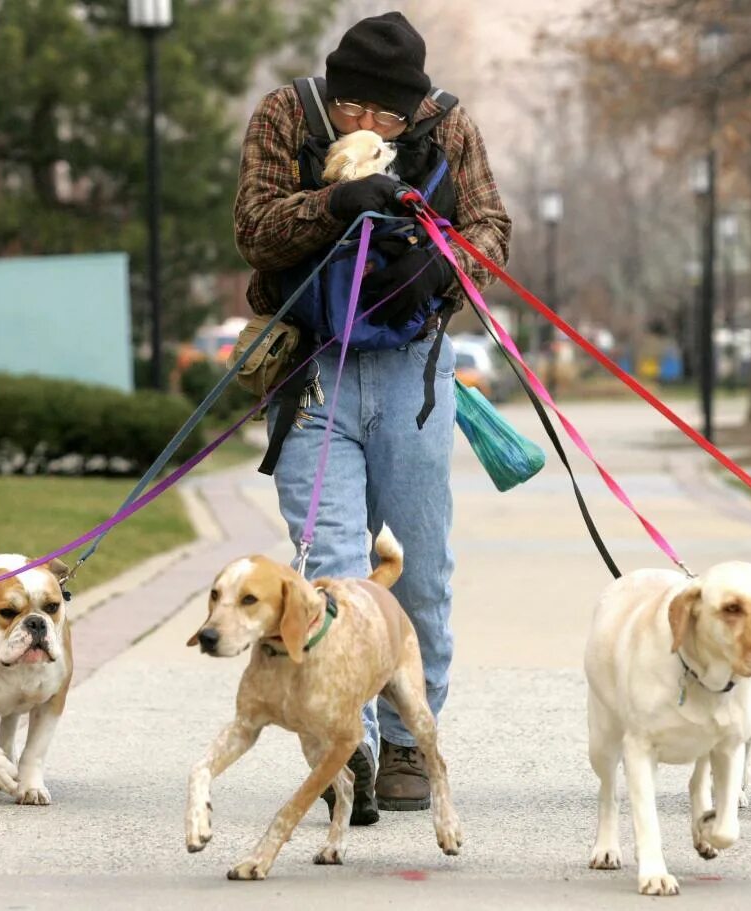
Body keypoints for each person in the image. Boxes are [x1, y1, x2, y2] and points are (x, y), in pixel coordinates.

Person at [232, 10, 511, 824]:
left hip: (415, 372)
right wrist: (335, 201)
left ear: (412, 110)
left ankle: (403, 742)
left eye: (388, 118)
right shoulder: (288, 115)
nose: (370, 128)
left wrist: (442, 264)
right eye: (357, 111)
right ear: (335, 93)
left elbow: (493, 227)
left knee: (418, 567)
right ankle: (340, 739)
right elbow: (254, 228)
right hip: (314, 368)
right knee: (330, 568)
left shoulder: (448, 121)